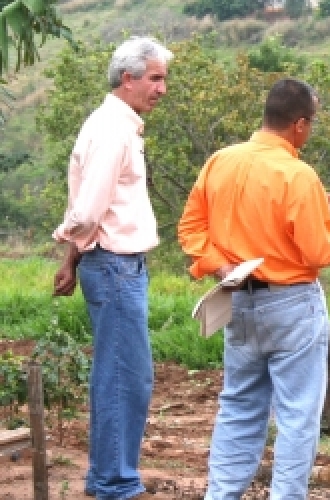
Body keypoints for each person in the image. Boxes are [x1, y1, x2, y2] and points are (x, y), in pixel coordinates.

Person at [177, 78, 330, 500]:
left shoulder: (219, 162)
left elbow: (190, 228)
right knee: (298, 415)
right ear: (299, 125)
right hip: (292, 303)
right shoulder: (297, 175)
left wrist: (217, 263)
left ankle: (221, 494)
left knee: (240, 407)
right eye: (311, 123)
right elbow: (319, 252)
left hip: (237, 298)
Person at [51, 36, 172, 499]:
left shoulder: (115, 125)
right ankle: (116, 484)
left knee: (118, 373)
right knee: (126, 376)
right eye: (155, 78)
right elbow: (85, 212)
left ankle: (107, 477)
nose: (162, 88)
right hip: (115, 266)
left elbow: (88, 206)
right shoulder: (113, 129)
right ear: (129, 78)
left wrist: (71, 259)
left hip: (112, 264)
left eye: (163, 79)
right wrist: (69, 242)